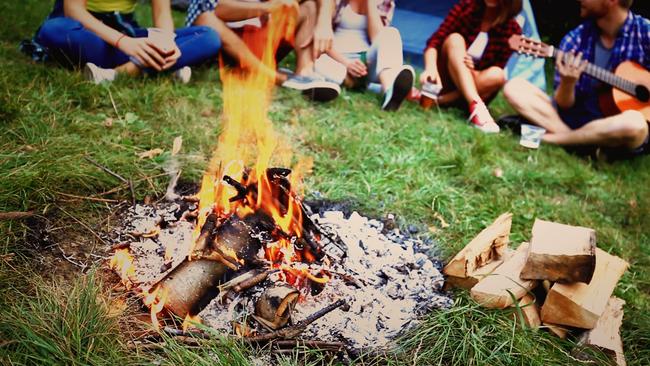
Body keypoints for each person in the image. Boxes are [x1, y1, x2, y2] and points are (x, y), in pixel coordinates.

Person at [503, 0, 649, 159]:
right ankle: (582, 143)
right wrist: (568, 82)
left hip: (618, 123)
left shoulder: (645, 33)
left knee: (634, 124)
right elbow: (563, 105)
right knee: (514, 87)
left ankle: (553, 139)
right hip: (579, 117)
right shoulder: (575, 39)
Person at [34, 0, 222, 84]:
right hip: (87, 30)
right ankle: (158, 69)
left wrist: (167, 43)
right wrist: (123, 42)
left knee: (208, 36)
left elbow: (162, 13)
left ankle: (119, 73)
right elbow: (73, 10)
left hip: (125, 30)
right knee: (54, 30)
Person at [186, 0, 341, 101]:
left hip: (261, 41)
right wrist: (268, 7)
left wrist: (324, 24)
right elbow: (214, 11)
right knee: (206, 19)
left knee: (310, 7)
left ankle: (304, 76)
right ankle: (276, 77)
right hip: (222, 48)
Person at [421, 0, 522, 132]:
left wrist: (473, 69)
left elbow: (491, 75)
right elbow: (434, 42)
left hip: (472, 88)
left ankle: (441, 101)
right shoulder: (466, 7)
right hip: (446, 79)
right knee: (455, 39)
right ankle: (477, 107)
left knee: (497, 74)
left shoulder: (512, 30)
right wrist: (430, 69)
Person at [312, 0, 414, 111]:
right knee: (317, 62)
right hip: (336, 59)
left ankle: (389, 91)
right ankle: (359, 84)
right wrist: (347, 63)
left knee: (391, 33)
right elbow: (322, 38)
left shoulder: (385, 2)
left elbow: (378, 37)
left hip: (365, 62)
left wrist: (370, 2)